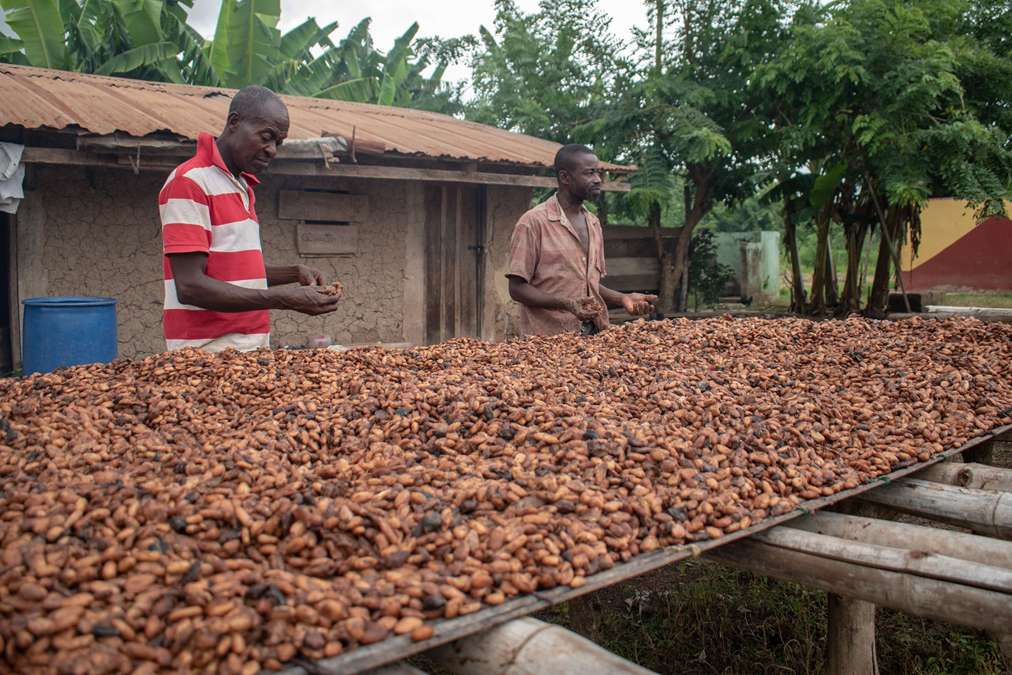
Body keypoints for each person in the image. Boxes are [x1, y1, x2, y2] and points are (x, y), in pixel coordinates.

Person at [159, 85, 340, 352]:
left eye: (278, 143)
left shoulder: (241, 186)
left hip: (249, 348)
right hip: (206, 351)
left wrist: (293, 272)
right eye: (266, 137)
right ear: (235, 122)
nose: (273, 150)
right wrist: (286, 299)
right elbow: (190, 286)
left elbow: (233, 273)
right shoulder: (191, 182)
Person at [507, 144, 657, 337]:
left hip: (594, 335)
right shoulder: (533, 223)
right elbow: (517, 288)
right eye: (589, 173)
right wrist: (565, 304)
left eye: (598, 173)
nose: (597, 180)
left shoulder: (593, 224)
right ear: (564, 178)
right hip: (548, 342)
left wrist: (622, 298)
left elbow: (588, 284)